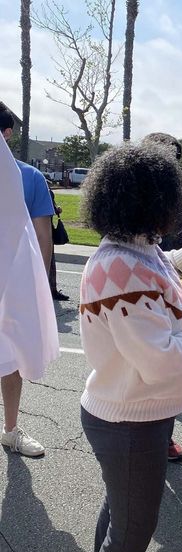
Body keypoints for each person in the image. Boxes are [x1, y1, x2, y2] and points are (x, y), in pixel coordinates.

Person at [79, 142, 182, 552]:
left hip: (129, 411)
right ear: (151, 201)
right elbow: (161, 361)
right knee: (132, 529)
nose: (178, 207)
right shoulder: (123, 270)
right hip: (130, 420)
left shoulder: (129, 249)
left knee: (120, 514)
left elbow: (160, 266)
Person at [142, 132, 182, 461]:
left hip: (179, 296)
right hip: (143, 297)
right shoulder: (130, 200)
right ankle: (142, 436)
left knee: (171, 372)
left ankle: (163, 437)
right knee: (145, 368)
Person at [1, 101, 55, 457]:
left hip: (11, 286)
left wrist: (40, 292)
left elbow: (42, 237)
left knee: (12, 357)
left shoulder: (28, 177)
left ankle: (11, 429)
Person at [49, 189, 70, 301]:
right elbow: (48, 209)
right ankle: (52, 291)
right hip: (45, 231)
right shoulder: (45, 189)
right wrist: (56, 209)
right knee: (49, 262)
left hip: (33, 230)